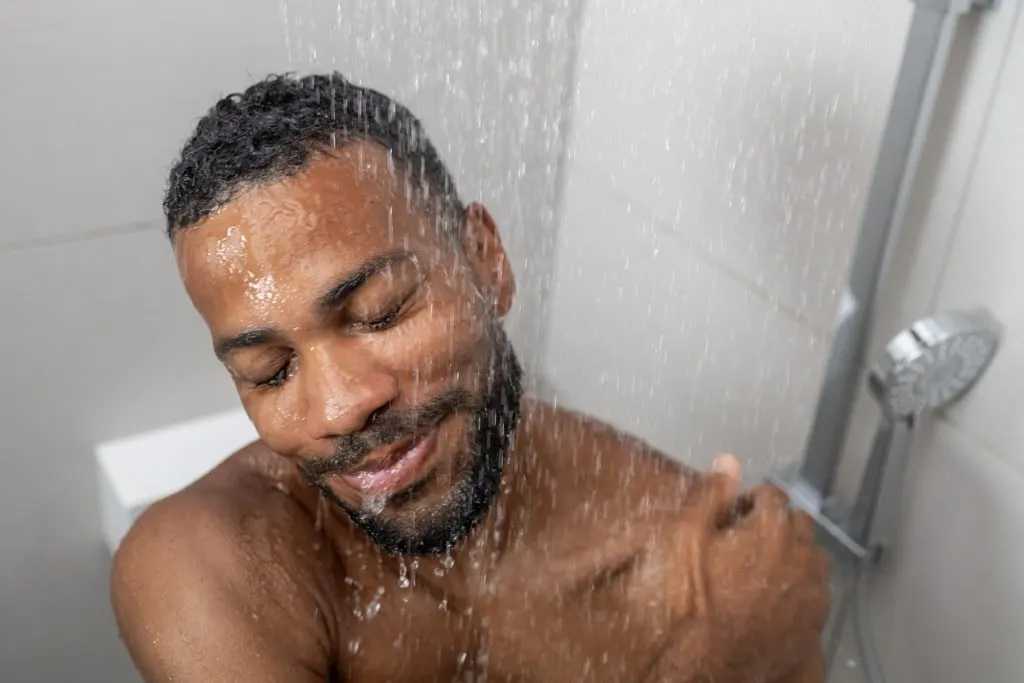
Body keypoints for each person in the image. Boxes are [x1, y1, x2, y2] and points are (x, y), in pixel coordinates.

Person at [110, 73, 830, 683]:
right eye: (269, 372)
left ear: (486, 261)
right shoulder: (214, 561)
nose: (338, 406)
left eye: (379, 311)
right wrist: (716, 661)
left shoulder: (684, 552)